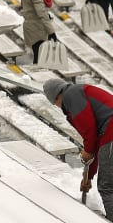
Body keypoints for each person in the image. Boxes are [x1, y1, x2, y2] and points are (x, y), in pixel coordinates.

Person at [43, 77, 113, 217]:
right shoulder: (79, 92)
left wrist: (87, 151)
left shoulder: (72, 95)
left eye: (55, 103)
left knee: (107, 187)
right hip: (109, 134)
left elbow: (89, 130)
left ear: (56, 98)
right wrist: (89, 176)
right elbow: (97, 143)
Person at [21, 0, 57, 64]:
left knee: (38, 59)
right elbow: (40, 11)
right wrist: (51, 32)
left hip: (35, 26)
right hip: (35, 29)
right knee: (38, 61)